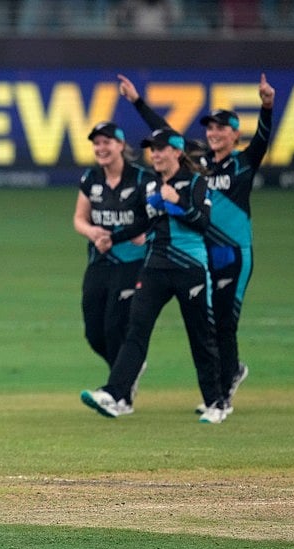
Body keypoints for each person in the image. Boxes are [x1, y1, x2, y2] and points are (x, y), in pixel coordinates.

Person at [117, 73, 275, 415]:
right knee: (207, 321)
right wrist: (137, 102)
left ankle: (227, 385)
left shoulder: (244, 163)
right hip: (201, 251)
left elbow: (263, 138)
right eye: (210, 128)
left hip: (233, 252)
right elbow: (167, 135)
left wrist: (266, 106)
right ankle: (224, 382)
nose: (214, 133)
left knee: (224, 321)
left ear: (235, 134)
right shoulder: (199, 163)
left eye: (221, 128)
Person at [81, 128, 227, 423]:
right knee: (136, 330)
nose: (155, 155)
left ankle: (216, 402)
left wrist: (176, 202)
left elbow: (203, 223)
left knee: (200, 336)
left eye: (161, 149)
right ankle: (115, 393)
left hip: (189, 268)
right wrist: (114, 237)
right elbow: (140, 224)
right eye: (152, 150)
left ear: (176, 152)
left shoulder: (195, 182)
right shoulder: (150, 186)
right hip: (155, 268)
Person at [73, 122, 152, 378]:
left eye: (106, 142)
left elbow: (154, 218)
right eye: (96, 143)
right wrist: (92, 232)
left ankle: (120, 386)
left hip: (132, 262)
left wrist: (145, 234)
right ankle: (127, 372)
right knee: (94, 333)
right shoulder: (91, 178)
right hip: (100, 260)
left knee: (114, 326)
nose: (101, 148)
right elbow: (79, 219)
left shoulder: (142, 179)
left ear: (120, 145)